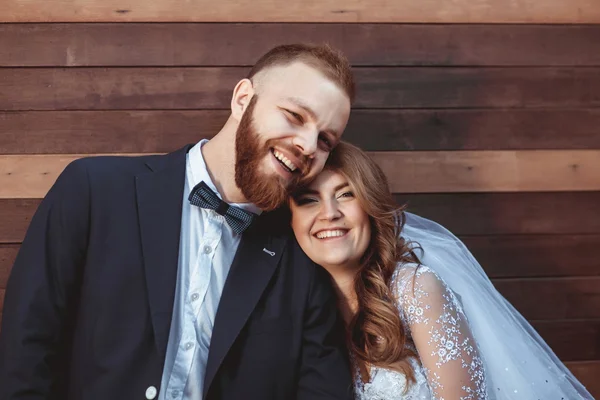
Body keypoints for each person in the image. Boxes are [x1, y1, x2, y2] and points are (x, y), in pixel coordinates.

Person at [0, 44, 356, 400]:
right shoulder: (93, 190)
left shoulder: (303, 255)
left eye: (325, 140)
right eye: (295, 115)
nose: (309, 146)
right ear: (243, 99)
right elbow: (24, 350)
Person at [289, 141, 594, 399]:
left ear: (369, 206)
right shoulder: (297, 307)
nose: (330, 213)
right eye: (308, 200)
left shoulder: (414, 288)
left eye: (346, 194)